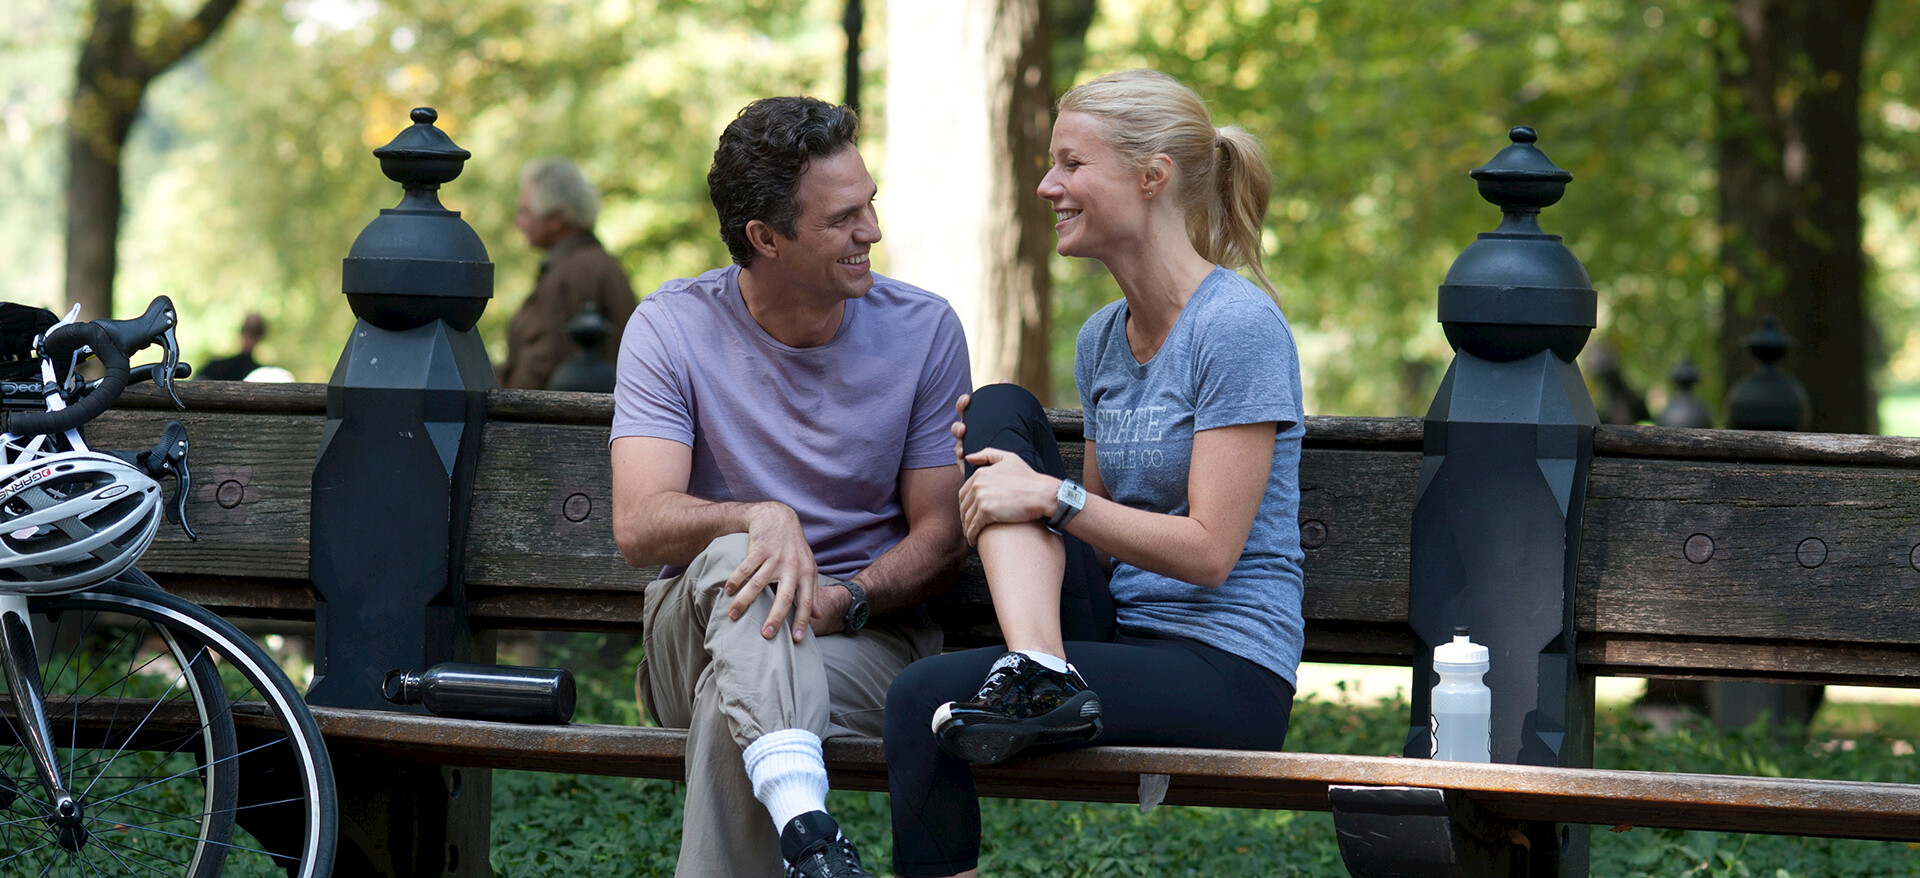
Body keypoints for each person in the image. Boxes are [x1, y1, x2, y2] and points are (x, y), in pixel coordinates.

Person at [883, 68, 1305, 878]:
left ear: (1153, 176)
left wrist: (1049, 494)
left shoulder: (1237, 326)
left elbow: (1211, 552)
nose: (1049, 186)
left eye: (1072, 164)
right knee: (1000, 407)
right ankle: (1040, 667)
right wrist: (1024, 490)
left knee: (917, 698)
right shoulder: (1103, 337)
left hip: (1225, 666)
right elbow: (1100, 543)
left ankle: (1041, 676)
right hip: (1116, 628)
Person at [610, 95, 971, 878]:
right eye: (844, 218)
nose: (872, 230)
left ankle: (805, 829)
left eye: (869, 203)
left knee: (735, 695)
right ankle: (807, 825)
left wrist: (845, 600)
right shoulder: (671, 327)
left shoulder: (924, 332)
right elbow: (639, 525)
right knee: (740, 555)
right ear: (765, 238)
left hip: (863, 640)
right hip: (693, 635)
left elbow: (942, 537)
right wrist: (761, 518)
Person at [499, 158, 639, 389]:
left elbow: (542, 363)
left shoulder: (574, 273)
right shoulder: (597, 264)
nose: (518, 222)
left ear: (555, 218)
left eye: (525, 211)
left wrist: (503, 402)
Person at [199, 312, 267, 380]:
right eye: (247, 331)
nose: (250, 337)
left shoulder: (263, 374)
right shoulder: (215, 368)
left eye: (254, 332)